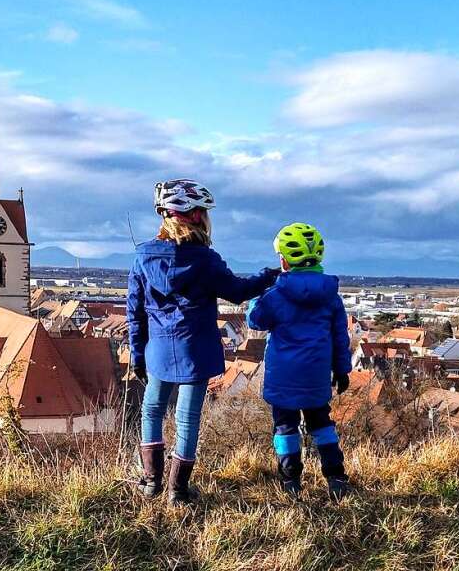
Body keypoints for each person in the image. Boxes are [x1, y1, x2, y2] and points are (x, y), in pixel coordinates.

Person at [127, 179, 279, 505]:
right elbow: (238, 292)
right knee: (186, 418)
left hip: (157, 350)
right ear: (195, 216)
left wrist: (138, 354)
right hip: (194, 349)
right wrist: (269, 275)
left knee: (151, 411)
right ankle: (177, 491)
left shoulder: (142, 257)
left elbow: (134, 311)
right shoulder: (205, 260)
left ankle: (151, 481)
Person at [247, 222, 351, 500]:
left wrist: (259, 293)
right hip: (316, 373)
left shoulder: (276, 295)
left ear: (283, 259)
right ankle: (336, 475)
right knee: (321, 423)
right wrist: (342, 370)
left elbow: (255, 320)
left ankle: (290, 479)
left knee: (285, 426)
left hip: (283, 375)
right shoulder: (332, 296)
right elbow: (341, 337)